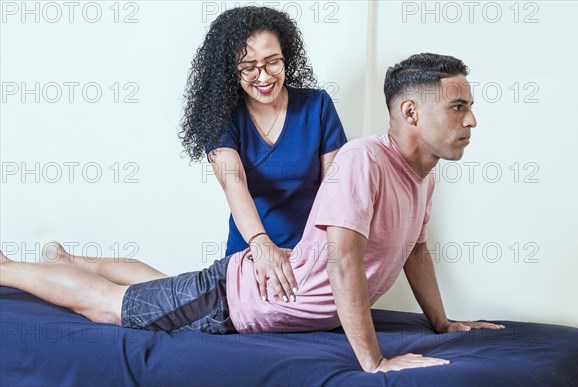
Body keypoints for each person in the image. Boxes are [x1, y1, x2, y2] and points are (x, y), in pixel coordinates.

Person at [0, 53, 504, 373]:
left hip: (253, 286)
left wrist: (442, 324)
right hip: (237, 301)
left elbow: (415, 249)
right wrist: (373, 363)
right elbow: (343, 261)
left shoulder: (421, 176)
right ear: (412, 112)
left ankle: (73, 259)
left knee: (156, 285)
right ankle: (8, 269)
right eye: (458, 106)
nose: (472, 119)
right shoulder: (365, 159)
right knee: (111, 307)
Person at [179, 6, 347, 303]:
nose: (264, 76)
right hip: (251, 257)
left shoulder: (317, 106)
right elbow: (234, 183)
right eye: (249, 67)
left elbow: (334, 193)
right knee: (176, 295)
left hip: (311, 258)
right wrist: (261, 244)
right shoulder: (223, 118)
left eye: (273, 63)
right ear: (231, 70)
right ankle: (79, 265)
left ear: (287, 58)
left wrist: (316, 255)